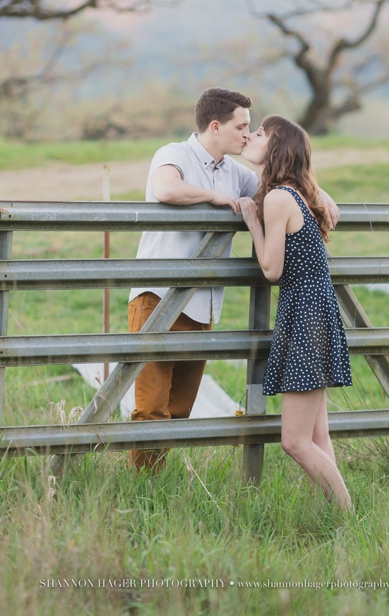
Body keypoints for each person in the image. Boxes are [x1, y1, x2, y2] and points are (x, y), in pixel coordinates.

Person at [129, 88, 340, 473]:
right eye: (242, 127)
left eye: (251, 129)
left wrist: (319, 194)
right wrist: (216, 199)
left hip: (201, 303)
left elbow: (288, 180)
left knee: (179, 407)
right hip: (157, 296)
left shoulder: (234, 172)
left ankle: (153, 482)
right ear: (216, 126)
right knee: (151, 406)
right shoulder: (173, 155)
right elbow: (165, 189)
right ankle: (142, 483)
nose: (247, 134)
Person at [238, 115, 354, 512]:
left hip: (305, 316)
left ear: (275, 148)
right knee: (318, 438)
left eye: (259, 133)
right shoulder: (300, 194)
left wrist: (253, 223)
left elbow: (271, 271)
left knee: (295, 442)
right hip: (316, 314)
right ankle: (337, 518)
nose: (250, 136)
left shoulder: (276, 199)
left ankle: (349, 515)